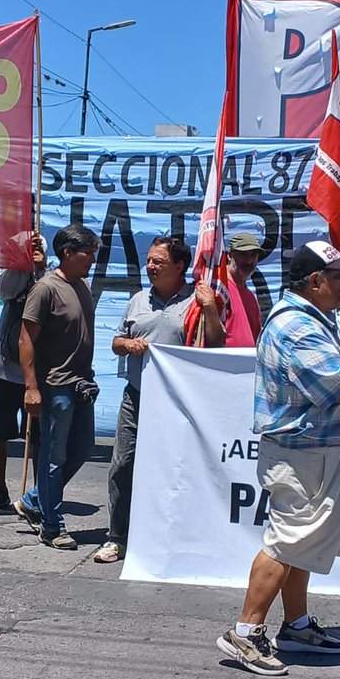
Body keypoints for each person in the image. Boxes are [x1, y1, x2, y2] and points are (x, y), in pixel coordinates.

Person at [216, 241, 340, 676]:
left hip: (319, 451)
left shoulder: (316, 317)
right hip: (304, 455)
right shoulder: (296, 327)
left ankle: (295, 626)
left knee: (304, 545)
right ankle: (245, 630)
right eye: (338, 277)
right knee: (287, 541)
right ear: (315, 282)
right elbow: (335, 385)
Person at [92, 237, 224, 564]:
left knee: (179, 470)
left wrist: (209, 309)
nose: (150, 267)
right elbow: (116, 341)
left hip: (180, 404)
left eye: (158, 262)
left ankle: (176, 536)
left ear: (180, 267)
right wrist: (127, 346)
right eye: (149, 260)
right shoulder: (138, 299)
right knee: (123, 466)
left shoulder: (197, 301)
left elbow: (217, 344)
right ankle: (117, 537)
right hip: (137, 398)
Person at [12, 224, 100, 550]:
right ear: (67, 253)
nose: (92, 259)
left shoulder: (82, 287)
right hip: (54, 388)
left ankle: (36, 500)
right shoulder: (45, 289)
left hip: (81, 386)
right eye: (87, 253)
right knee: (53, 458)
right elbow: (25, 339)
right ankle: (52, 525)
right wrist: (31, 388)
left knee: (83, 449)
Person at [0, 232, 46, 513]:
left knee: (39, 437)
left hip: (37, 370)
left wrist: (40, 268)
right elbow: (3, 290)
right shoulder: (13, 274)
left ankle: (38, 493)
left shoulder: (50, 278)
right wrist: (22, 264)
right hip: (5, 368)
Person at [224, 232, 266, 346]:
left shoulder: (251, 298)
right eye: (243, 254)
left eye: (253, 255)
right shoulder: (219, 290)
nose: (249, 260)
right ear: (230, 255)